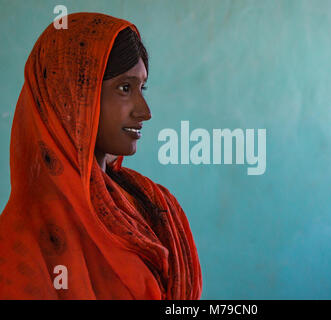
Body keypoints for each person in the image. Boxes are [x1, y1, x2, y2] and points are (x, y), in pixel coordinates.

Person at [0, 12, 202, 300]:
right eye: (124, 88)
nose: (144, 111)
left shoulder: (155, 206)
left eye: (142, 88)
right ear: (69, 96)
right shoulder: (21, 241)